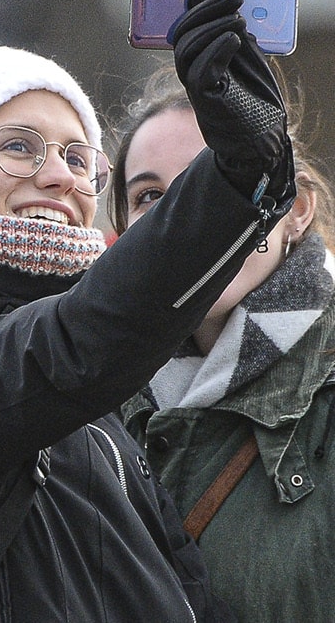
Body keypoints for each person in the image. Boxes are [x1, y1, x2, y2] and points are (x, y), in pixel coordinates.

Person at [0, 0, 293, 621]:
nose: (58, 177)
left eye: (77, 159)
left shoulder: (103, 406)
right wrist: (241, 173)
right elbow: (76, 339)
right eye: (18, 147)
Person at [111, 65, 335, 620]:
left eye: (219, 178)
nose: (183, 219)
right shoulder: (88, 401)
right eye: (149, 197)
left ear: (297, 210)